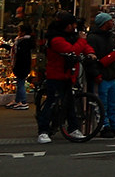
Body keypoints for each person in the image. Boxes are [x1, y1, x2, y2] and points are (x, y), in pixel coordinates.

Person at [39, 15, 93, 143]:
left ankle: (73, 128)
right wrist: (82, 41)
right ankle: (43, 131)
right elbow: (72, 51)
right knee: (52, 102)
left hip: (68, 74)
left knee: (70, 102)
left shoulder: (71, 37)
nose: (75, 27)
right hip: (57, 75)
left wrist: (91, 53)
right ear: (67, 26)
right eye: (73, 25)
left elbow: (83, 47)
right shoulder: (56, 39)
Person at [90, 11, 115, 137]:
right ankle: (105, 126)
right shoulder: (95, 38)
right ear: (105, 23)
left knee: (112, 103)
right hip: (103, 74)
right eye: (110, 21)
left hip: (109, 73)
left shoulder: (108, 36)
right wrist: (96, 73)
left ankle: (114, 125)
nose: (113, 22)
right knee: (103, 103)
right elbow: (92, 60)